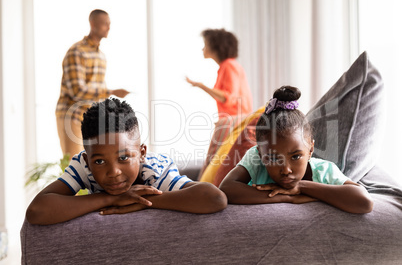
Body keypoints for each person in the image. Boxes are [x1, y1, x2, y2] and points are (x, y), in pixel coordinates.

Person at [27, 98, 227, 225]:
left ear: (141, 153)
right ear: (87, 160)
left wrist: (143, 201)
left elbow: (215, 198)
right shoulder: (82, 165)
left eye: (123, 158)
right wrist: (111, 199)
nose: (113, 171)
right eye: (99, 162)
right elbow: (37, 211)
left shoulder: (154, 170)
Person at [219, 86, 373, 214]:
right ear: (261, 154)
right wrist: (287, 197)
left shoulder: (324, 171)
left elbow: (364, 202)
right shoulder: (256, 159)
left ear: (311, 149)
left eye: (296, 157)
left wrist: (301, 187)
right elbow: (227, 189)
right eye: (273, 158)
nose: (285, 170)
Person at [55, 9, 130, 160]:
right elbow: (77, 92)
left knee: (93, 164)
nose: (108, 27)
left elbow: (96, 91)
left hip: (90, 118)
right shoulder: (77, 52)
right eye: (104, 24)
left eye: (109, 24)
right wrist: (111, 91)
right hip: (73, 116)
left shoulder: (101, 56)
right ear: (93, 24)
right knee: (74, 165)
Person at [185, 28, 253, 177]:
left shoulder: (229, 65)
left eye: (205, 44)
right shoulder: (229, 66)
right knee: (218, 161)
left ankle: (200, 188)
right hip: (234, 121)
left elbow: (228, 98)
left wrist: (200, 85)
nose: (203, 48)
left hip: (234, 122)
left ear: (215, 46)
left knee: (212, 160)